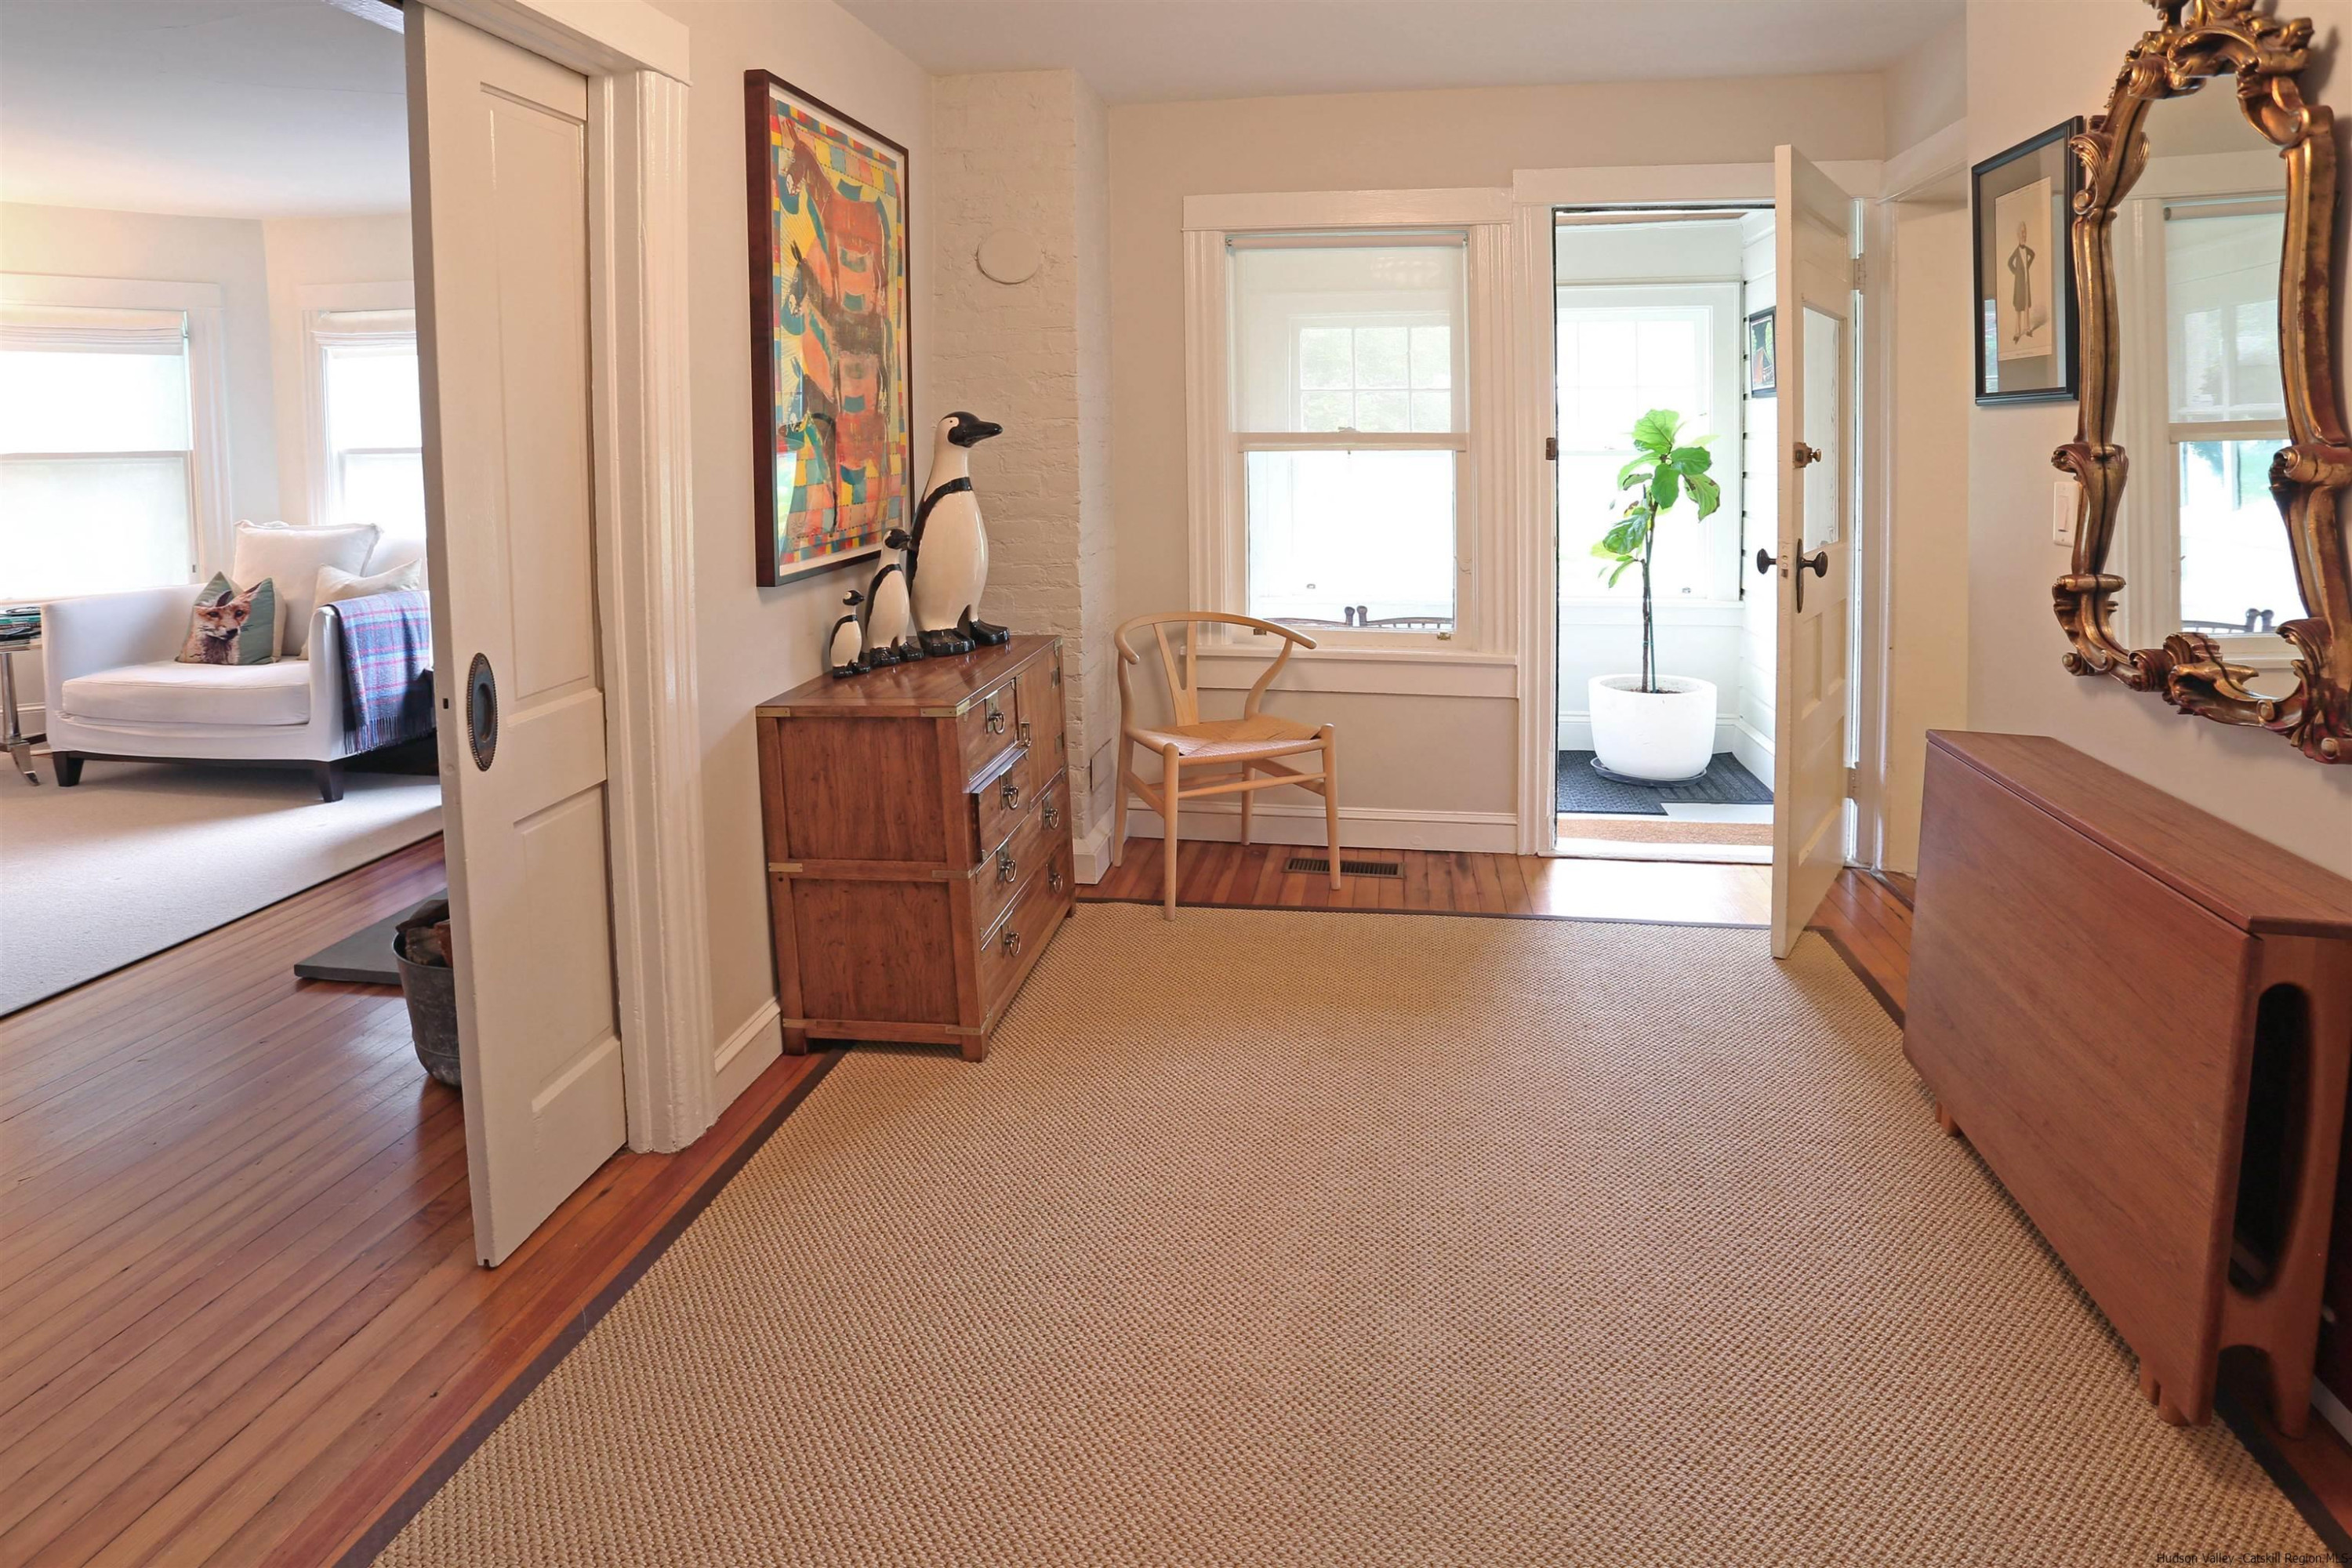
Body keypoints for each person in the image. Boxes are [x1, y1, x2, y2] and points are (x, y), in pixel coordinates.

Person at [2008, 221, 2036, 343]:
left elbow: (2033, 255)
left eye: (2025, 233)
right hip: (2019, 284)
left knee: (2026, 306)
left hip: (2026, 283)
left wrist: (2027, 267)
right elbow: (2009, 263)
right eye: (2022, 232)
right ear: (2018, 234)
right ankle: (2017, 332)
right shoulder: (2016, 251)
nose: (2024, 235)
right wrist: (2016, 273)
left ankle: (2027, 328)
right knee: (2018, 307)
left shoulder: (2028, 250)